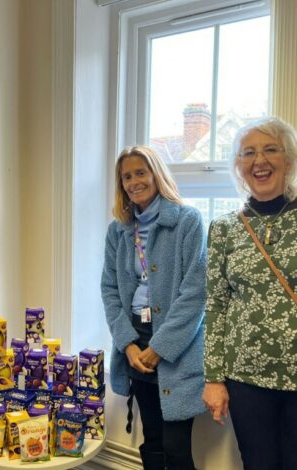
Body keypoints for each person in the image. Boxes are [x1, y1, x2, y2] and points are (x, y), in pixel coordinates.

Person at [101, 146, 206, 470]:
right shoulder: (119, 230)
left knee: (176, 447)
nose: (134, 182)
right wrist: (129, 345)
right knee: (153, 441)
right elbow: (109, 290)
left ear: (156, 174)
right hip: (135, 337)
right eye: (126, 176)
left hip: (176, 343)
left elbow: (196, 292)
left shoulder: (187, 221)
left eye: (140, 173)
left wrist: (159, 348)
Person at [203, 117, 297, 470]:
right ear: (239, 167)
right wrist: (213, 378)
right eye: (249, 153)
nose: (260, 160)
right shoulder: (224, 228)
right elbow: (215, 305)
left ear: (288, 160)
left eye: (271, 149)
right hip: (246, 380)